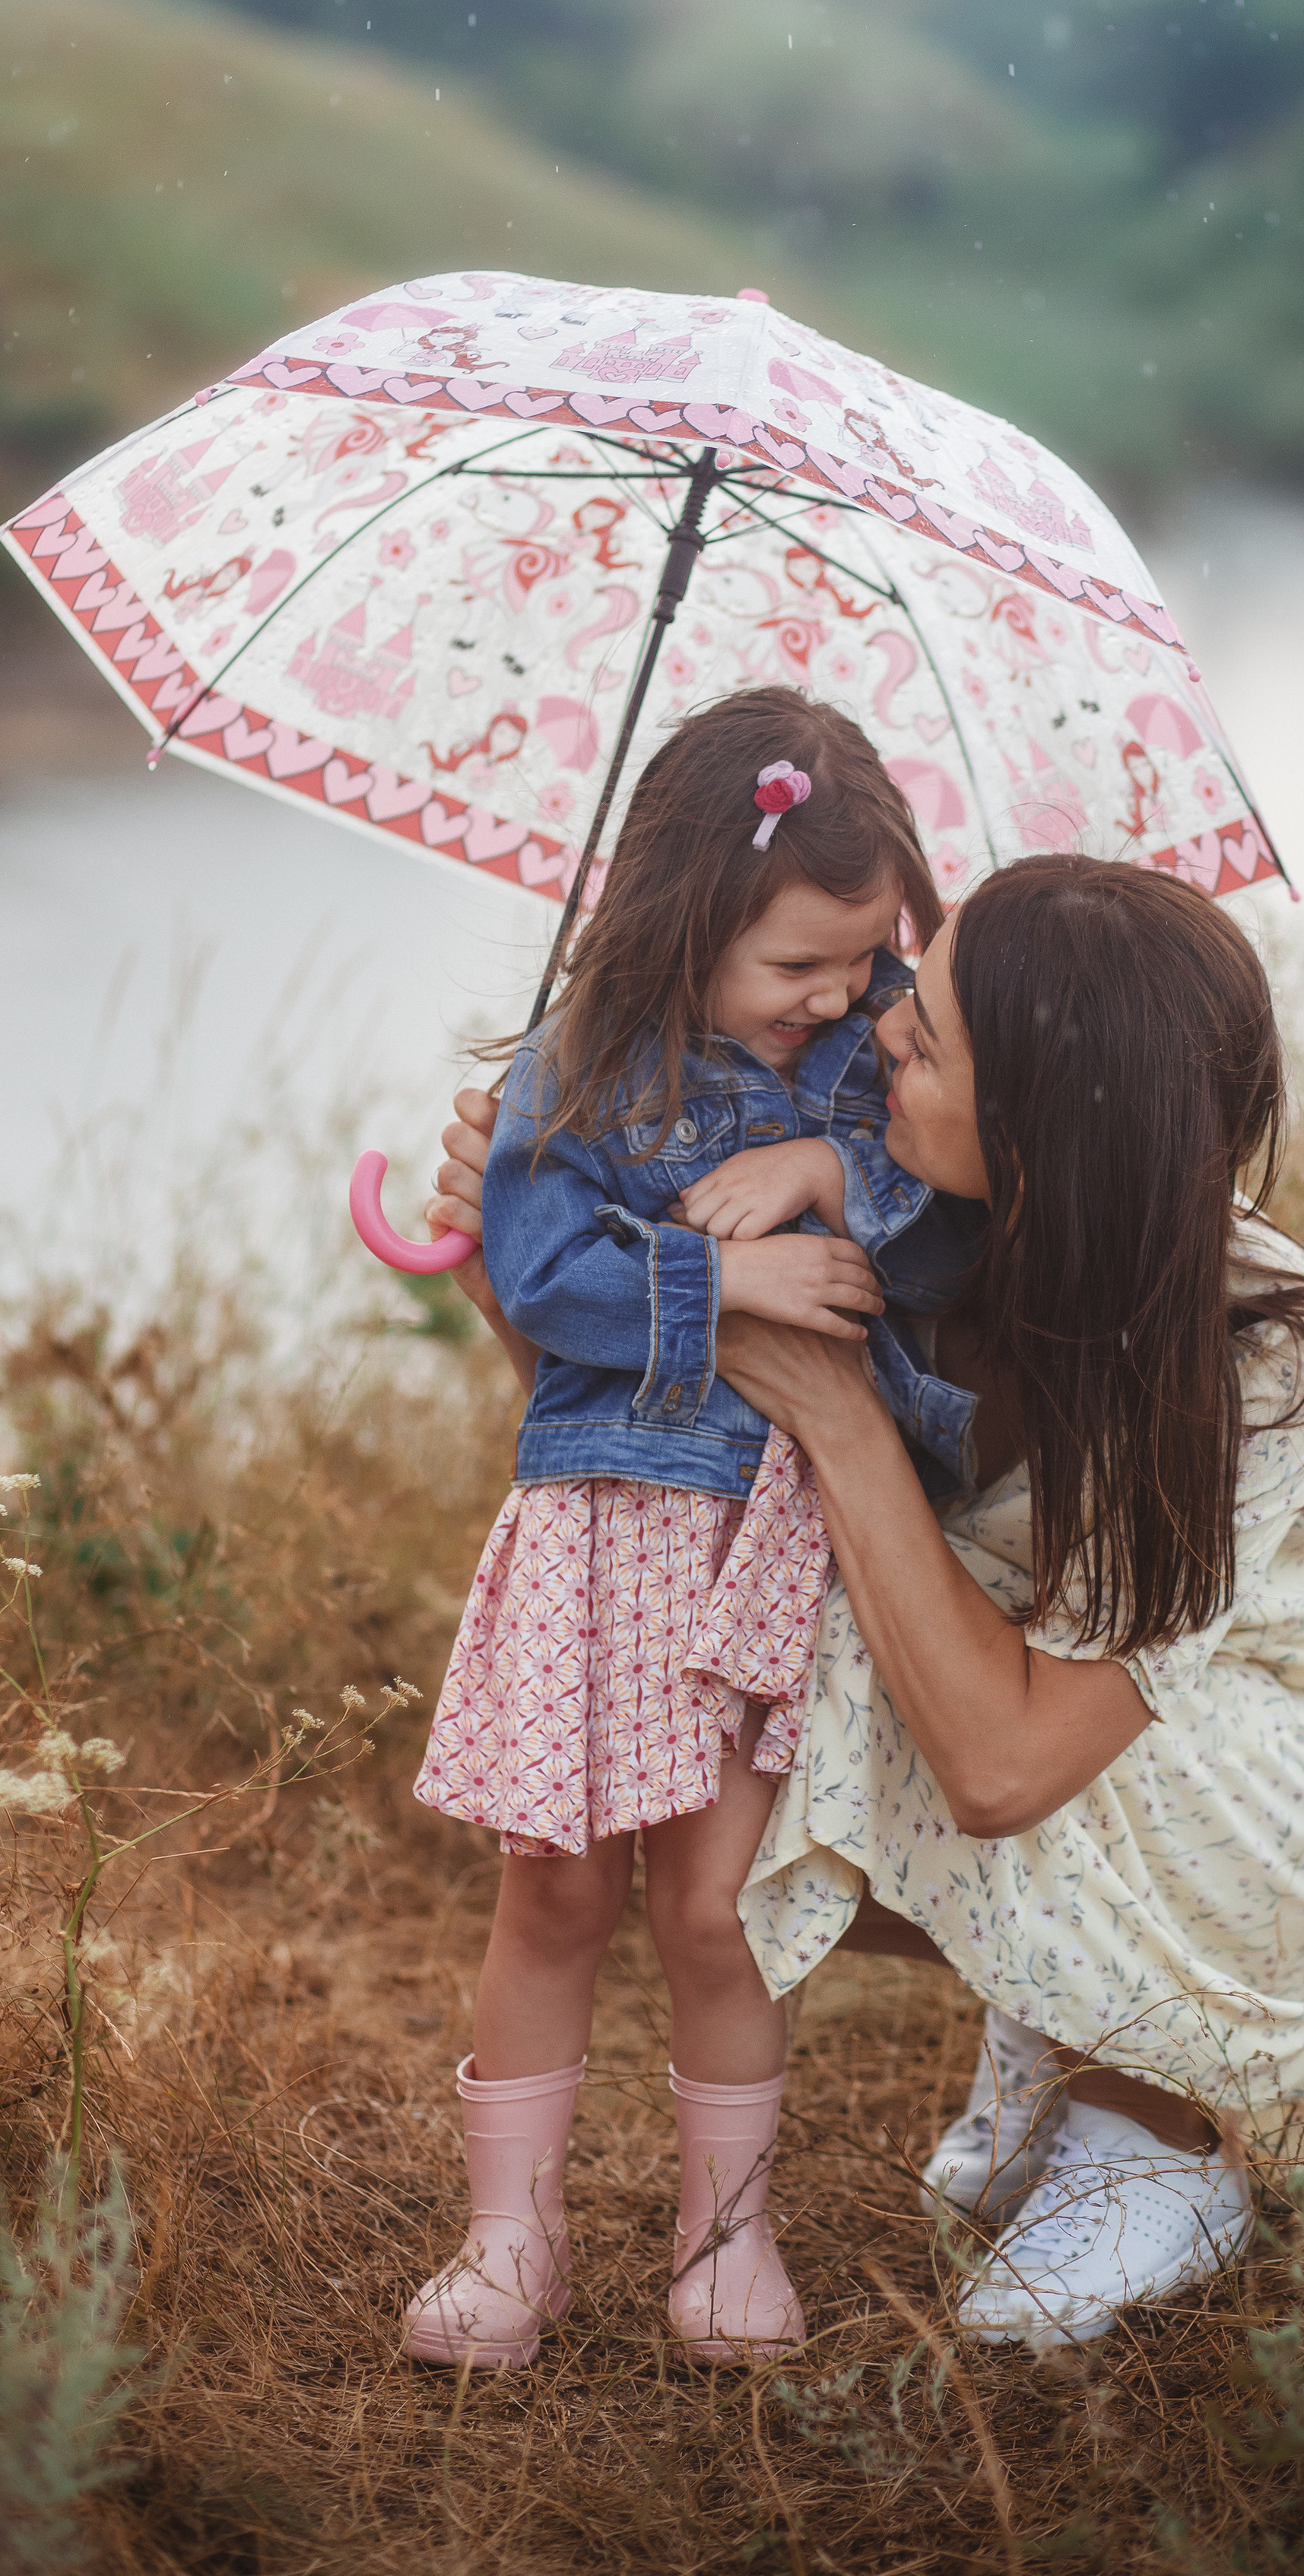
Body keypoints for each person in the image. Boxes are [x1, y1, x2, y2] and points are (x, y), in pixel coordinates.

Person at [435, 851, 1304, 2350]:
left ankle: (1149, 2120)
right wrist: (521, 1266)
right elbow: (657, 1485)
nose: (872, 1033)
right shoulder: (899, 1217)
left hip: (1280, 1772)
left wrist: (844, 1417)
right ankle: (1062, 2021)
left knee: (842, 1682)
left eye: (921, 1032)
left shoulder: (1255, 1350)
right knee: (731, 1719)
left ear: (1039, 1124)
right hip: (1026, 1708)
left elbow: (1005, 1771)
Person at [405, 689, 979, 2375]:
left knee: (715, 1909)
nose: (832, 998)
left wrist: (819, 1164)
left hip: (769, 1536)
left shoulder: (870, 1067)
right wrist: (714, 1273)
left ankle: (725, 2243)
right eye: (791, 966)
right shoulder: (580, 1068)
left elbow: (938, 1241)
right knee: (553, 1885)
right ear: (684, 920)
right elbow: (534, 1273)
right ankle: (510, 2244)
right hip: (599, 1517)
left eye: (858, 961)